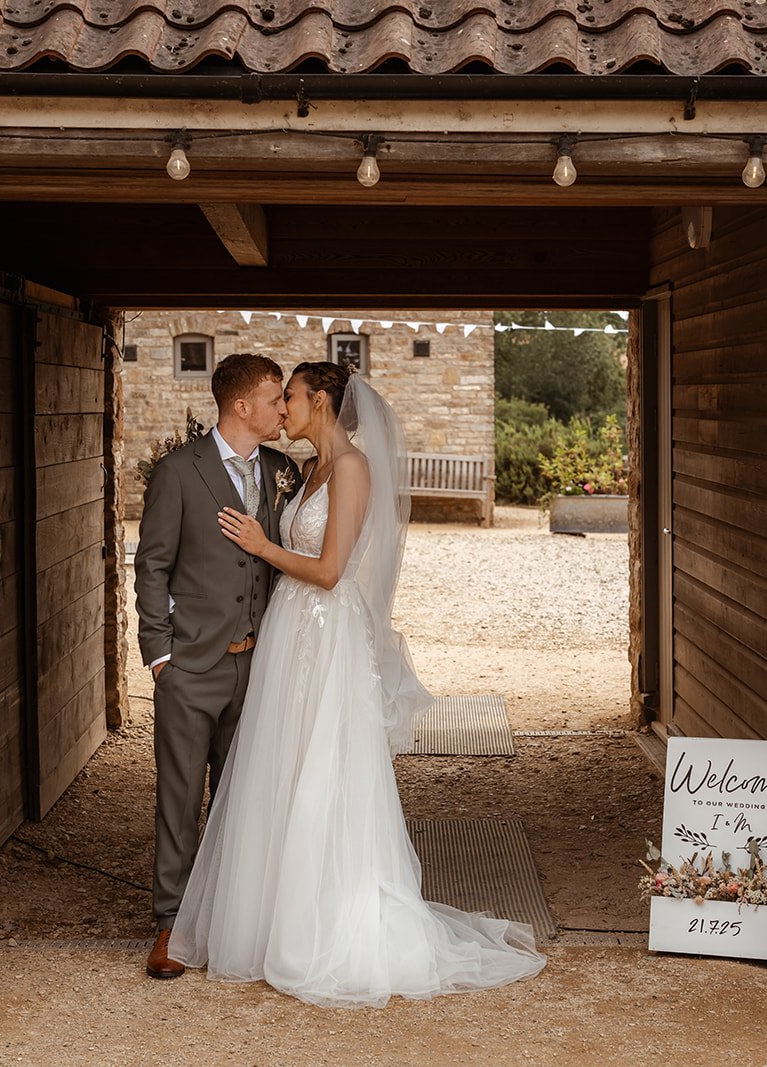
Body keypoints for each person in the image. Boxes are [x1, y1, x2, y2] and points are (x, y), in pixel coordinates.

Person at [168, 361, 546, 1007]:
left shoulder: (350, 468)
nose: (282, 406)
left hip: (324, 631)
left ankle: (326, 924)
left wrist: (260, 544)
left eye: (289, 395)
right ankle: (271, 919)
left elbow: (332, 570)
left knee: (324, 765)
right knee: (280, 766)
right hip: (291, 632)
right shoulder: (309, 469)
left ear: (320, 400)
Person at [133, 352, 300, 980]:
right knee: (179, 797)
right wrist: (161, 655)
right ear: (241, 406)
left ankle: (233, 919)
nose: (284, 407)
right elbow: (151, 566)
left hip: (259, 664)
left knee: (242, 796)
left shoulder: (285, 471)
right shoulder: (180, 472)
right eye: (275, 397)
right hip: (191, 666)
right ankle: (171, 924)